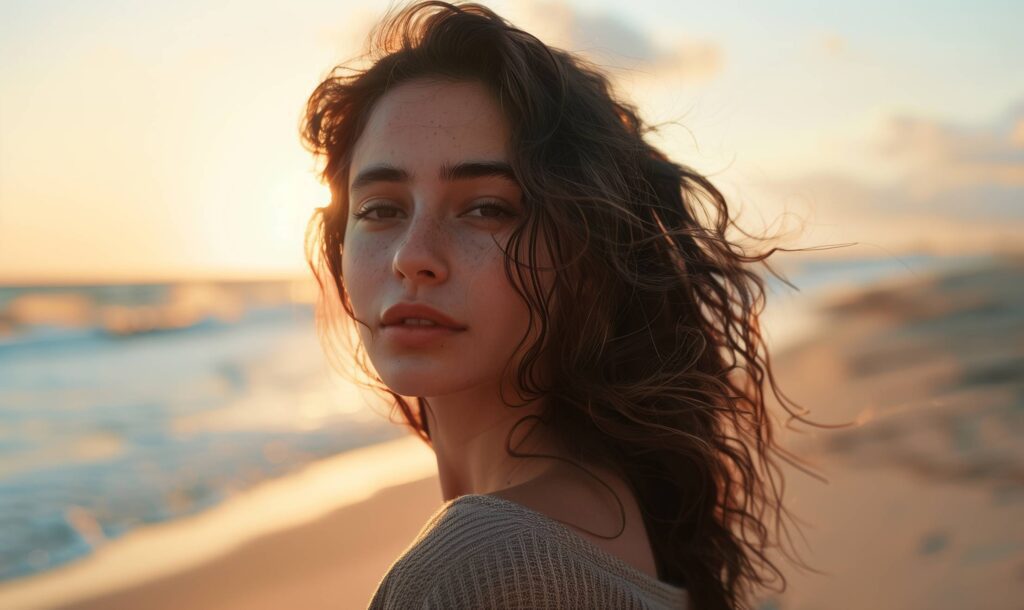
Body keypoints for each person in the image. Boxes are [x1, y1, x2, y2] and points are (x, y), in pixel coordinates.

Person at [301, 2, 822, 608]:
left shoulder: (474, 566)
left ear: (587, 251)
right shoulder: (620, 504)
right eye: (381, 209)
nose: (412, 257)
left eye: (486, 208)